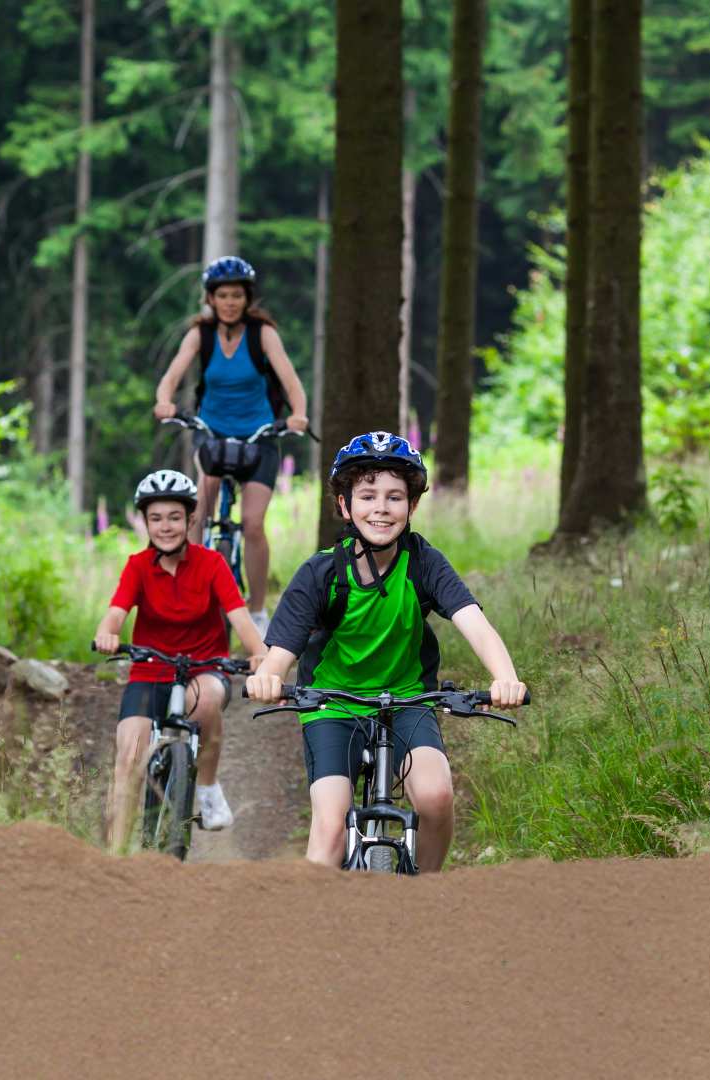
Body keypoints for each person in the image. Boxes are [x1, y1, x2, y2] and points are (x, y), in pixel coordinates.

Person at [246, 433, 527, 872]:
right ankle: (307, 924)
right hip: (332, 704)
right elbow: (282, 650)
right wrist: (269, 675)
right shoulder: (321, 573)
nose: (381, 507)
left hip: (409, 699)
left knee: (435, 798)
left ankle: (426, 891)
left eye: (395, 496)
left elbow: (475, 623)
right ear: (344, 505)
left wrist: (504, 676)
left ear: (411, 507)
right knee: (330, 828)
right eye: (367, 495)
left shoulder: (424, 562)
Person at [94, 469, 267, 855]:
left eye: (175, 517)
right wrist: (108, 632)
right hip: (149, 671)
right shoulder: (138, 565)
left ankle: (205, 787)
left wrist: (261, 656)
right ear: (145, 522)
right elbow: (116, 612)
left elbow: (239, 617)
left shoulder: (211, 563)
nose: (166, 526)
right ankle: (113, 857)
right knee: (128, 761)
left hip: (204, 667)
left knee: (206, 700)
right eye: (156, 518)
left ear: (191, 520)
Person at [154, 256, 309, 639]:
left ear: (247, 297)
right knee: (198, 515)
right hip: (213, 434)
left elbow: (291, 383)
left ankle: (257, 611)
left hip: (259, 438)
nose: (229, 302)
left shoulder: (263, 334)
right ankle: (187, 595)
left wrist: (299, 414)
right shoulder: (200, 335)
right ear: (211, 298)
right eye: (222, 295)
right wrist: (164, 401)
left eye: (236, 295)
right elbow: (171, 376)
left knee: (253, 524)